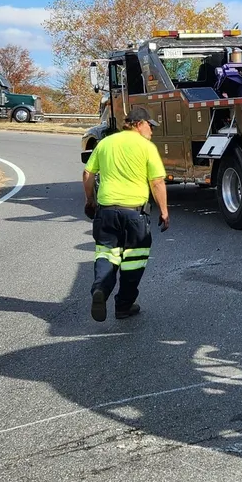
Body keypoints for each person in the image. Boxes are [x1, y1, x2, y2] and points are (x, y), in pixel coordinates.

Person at [82, 105, 169, 322]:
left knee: (106, 254)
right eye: (150, 125)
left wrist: (90, 201)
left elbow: (88, 173)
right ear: (139, 125)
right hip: (134, 214)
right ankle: (123, 306)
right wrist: (165, 212)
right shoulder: (146, 147)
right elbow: (157, 182)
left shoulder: (105, 143)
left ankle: (100, 289)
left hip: (106, 212)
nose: (152, 130)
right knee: (133, 261)